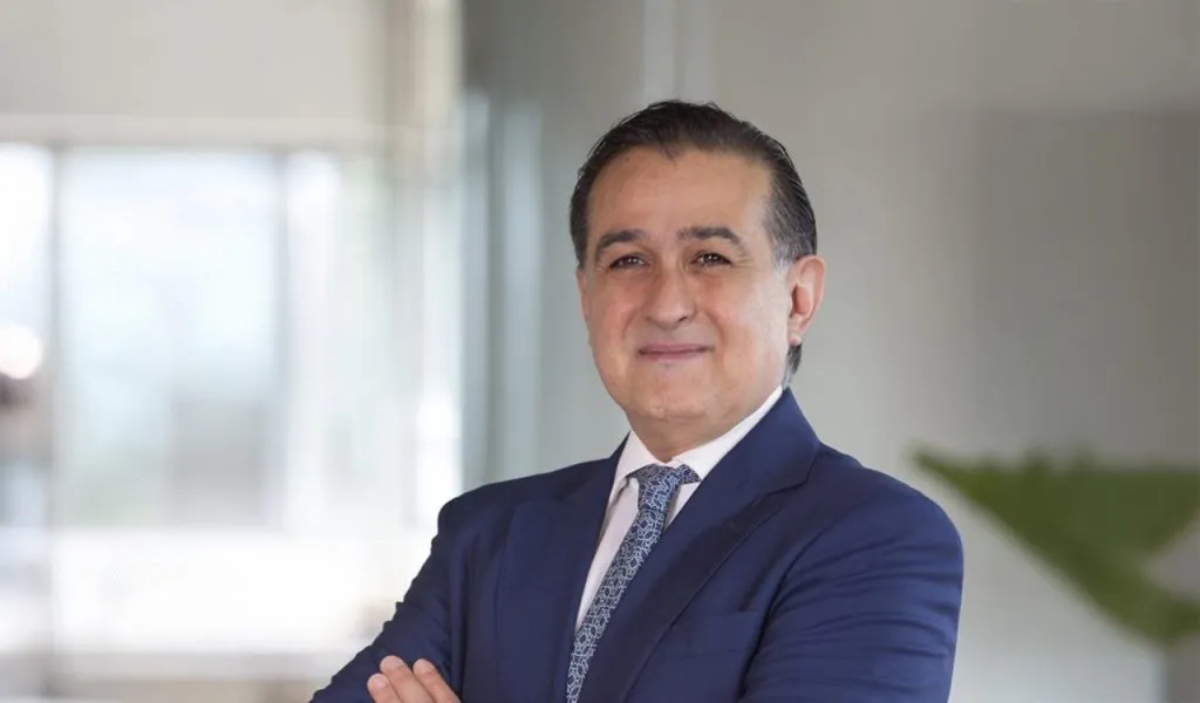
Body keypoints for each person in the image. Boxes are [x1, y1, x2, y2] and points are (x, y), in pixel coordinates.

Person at [310, 100, 964, 703]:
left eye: (710, 257)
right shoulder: (489, 537)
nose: (667, 304)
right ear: (585, 295)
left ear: (798, 299)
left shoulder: (873, 538)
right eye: (627, 260)